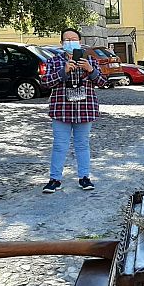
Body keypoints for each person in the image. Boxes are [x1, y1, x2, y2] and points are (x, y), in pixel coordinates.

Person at [40, 28, 107, 193]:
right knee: (59, 145)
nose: (70, 42)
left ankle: (84, 177)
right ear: (62, 43)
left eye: (74, 39)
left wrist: (90, 70)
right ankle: (55, 179)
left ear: (80, 41)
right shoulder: (53, 61)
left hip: (84, 109)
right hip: (61, 109)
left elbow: (102, 82)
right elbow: (46, 83)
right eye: (67, 39)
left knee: (82, 144)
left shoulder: (90, 60)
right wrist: (64, 71)